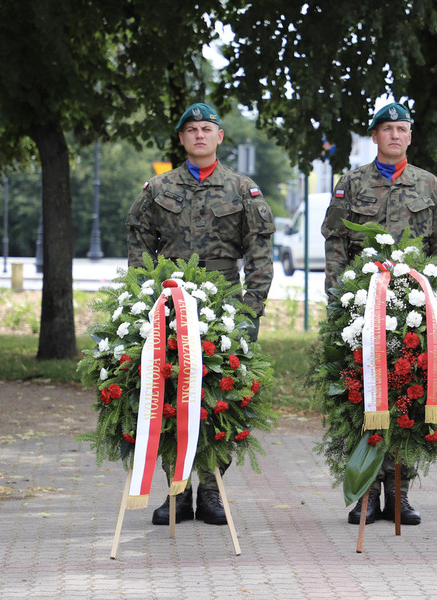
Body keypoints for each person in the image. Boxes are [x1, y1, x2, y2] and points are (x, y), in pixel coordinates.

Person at [126, 102, 276, 526]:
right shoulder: (158, 189)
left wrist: (250, 311)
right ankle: (177, 491)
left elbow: (260, 255)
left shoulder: (242, 189)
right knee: (168, 393)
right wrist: (142, 297)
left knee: (220, 395)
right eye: (191, 129)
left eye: (206, 129)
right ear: (181, 138)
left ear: (219, 137)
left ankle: (211, 490)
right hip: (170, 303)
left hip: (223, 304)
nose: (199, 135)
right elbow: (138, 244)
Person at [321, 101, 437, 526]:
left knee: (408, 393)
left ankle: (399, 491)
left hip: (413, 308)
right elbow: (335, 245)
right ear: (375, 136)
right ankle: (365, 492)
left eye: (401, 129)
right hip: (361, 307)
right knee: (362, 395)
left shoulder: (428, 185)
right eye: (387, 129)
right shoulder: (351, 184)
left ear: (410, 136)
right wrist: (338, 299)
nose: (394, 135)